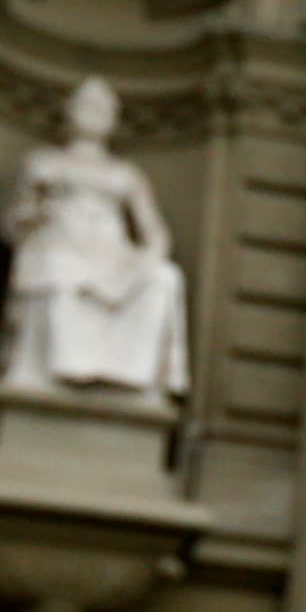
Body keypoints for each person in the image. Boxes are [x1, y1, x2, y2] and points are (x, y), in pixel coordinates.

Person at [3, 76, 190, 398]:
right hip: (60, 246)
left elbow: (155, 234)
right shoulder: (43, 162)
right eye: (88, 104)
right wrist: (38, 215)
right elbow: (13, 225)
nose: (96, 112)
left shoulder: (125, 173)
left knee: (164, 278)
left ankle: (131, 378)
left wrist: (144, 259)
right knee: (56, 267)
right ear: (70, 110)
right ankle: (67, 370)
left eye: (104, 107)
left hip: (112, 256)